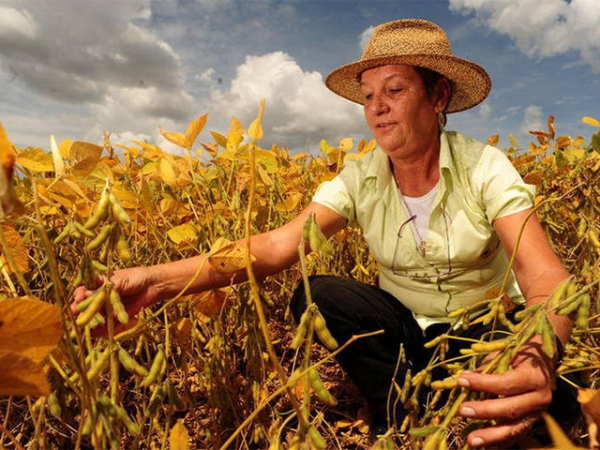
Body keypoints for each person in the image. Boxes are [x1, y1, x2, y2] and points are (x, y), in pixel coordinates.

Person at [73, 19, 575, 448]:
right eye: (369, 96)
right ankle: (402, 417)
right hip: (404, 336)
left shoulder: (484, 167)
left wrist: (538, 352)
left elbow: (546, 277)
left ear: (437, 95)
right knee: (322, 293)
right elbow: (274, 248)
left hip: (481, 331)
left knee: (559, 397)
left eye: (395, 90)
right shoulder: (360, 177)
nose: (377, 107)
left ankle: (466, 393)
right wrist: (155, 282)